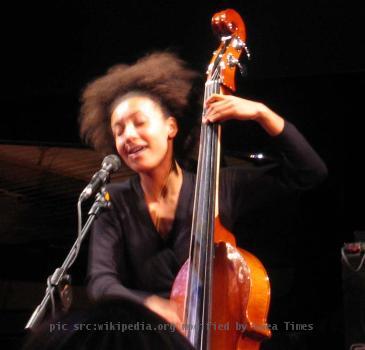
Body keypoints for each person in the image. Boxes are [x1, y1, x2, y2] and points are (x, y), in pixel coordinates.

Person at [79, 51, 327, 327]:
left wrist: (261, 113)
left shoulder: (221, 187)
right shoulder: (114, 200)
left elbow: (309, 172)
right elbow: (100, 282)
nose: (129, 136)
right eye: (119, 130)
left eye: (139, 122)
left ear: (170, 127)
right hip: (148, 336)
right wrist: (152, 305)